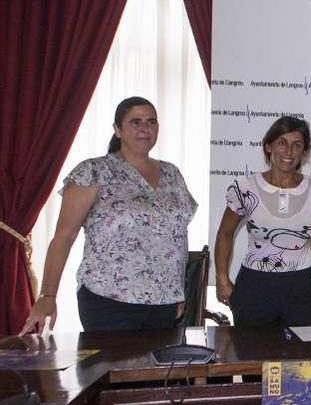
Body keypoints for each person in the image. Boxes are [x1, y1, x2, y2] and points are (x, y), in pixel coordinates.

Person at [21, 97, 196, 333]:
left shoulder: (172, 174)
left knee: (156, 370)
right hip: (108, 302)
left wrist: (178, 292)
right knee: (109, 370)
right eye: (135, 122)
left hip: (164, 303)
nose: (145, 128)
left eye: (151, 121)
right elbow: (64, 237)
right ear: (118, 130)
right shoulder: (93, 171)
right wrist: (48, 295)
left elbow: (177, 238)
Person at [214, 116, 311, 327]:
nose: (289, 151)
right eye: (282, 143)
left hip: (301, 286)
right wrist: (222, 278)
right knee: (251, 354)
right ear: (269, 146)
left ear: (304, 151)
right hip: (254, 286)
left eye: (297, 145)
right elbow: (225, 234)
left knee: (302, 357)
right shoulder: (244, 188)